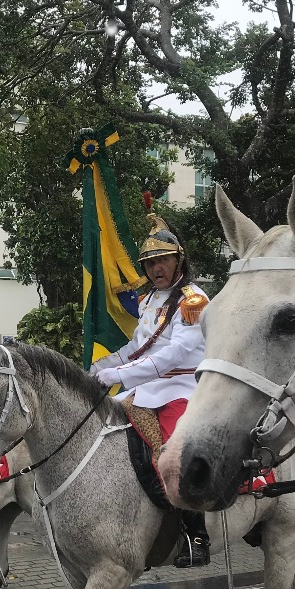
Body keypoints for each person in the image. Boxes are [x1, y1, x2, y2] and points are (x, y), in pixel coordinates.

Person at [89, 214, 211, 566]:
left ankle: (196, 535)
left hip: (180, 387)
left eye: (162, 260)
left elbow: (177, 353)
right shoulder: (150, 301)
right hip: (145, 388)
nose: (156, 268)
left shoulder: (192, 299)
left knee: (174, 456)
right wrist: (96, 370)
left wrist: (123, 375)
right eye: (150, 263)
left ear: (179, 261)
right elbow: (136, 348)